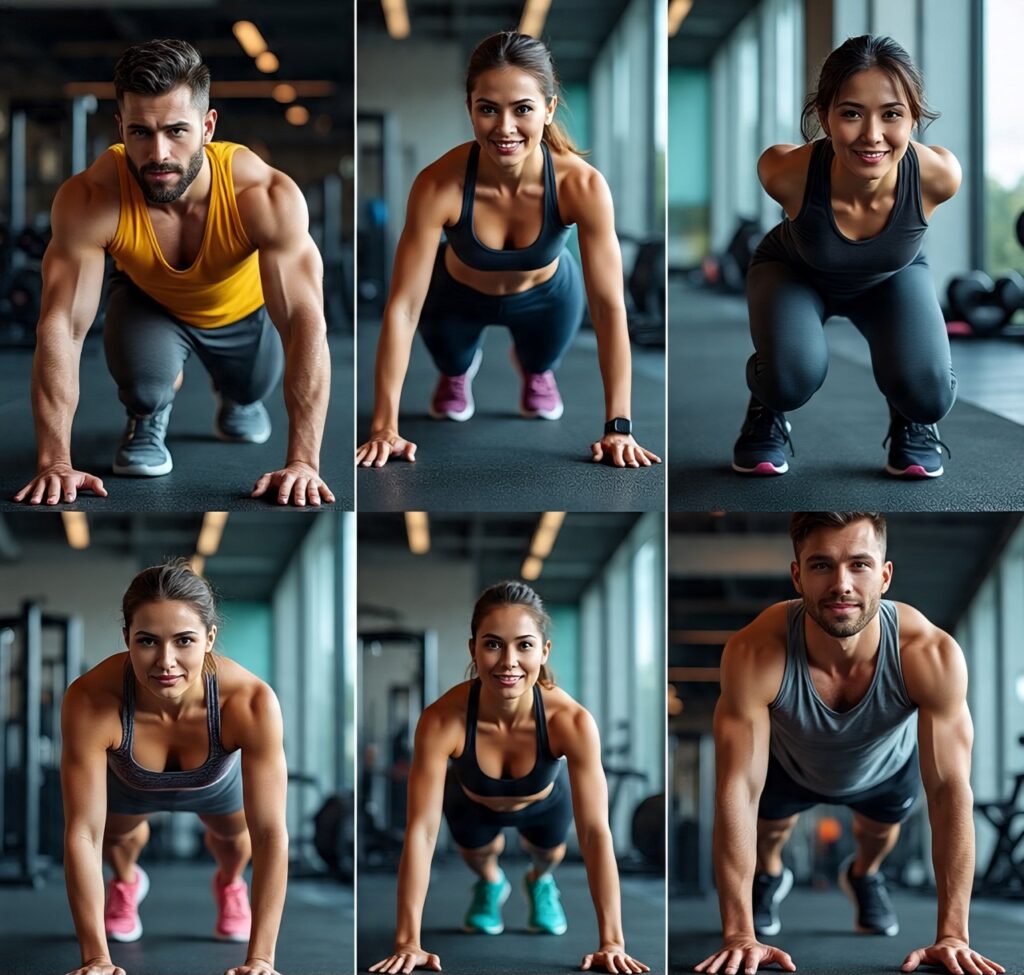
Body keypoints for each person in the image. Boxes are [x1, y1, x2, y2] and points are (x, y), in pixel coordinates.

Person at [14, 39, 334, 508]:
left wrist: (304, 462)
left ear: (207, 127)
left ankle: (238, 399)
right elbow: (61, 325)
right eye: (140, 133)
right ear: (121, 127)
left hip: (241, 312)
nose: (158, 153)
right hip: (152, 306)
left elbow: (305, 320)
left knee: (251, 389)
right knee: (144, 388)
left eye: (177, 131)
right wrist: (55, 462)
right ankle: (148, 416)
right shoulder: (91, 198)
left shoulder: (262, 194)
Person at [696, 512, 1004, 975]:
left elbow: (949, 792)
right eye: (822, 565)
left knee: (876, 835)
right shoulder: (755, 651)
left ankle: (864, 875)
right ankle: (771, 875)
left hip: (882, 768)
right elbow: (737, 789)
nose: (841, 583)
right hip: (790, 762)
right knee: (770, 834)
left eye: (859, 565)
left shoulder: (930, 654)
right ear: (797, 575)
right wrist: (739, 934)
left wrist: (953, 936)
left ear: (884, 575)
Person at [356, 31, 661, 470]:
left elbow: (609, 307)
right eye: (487, 109)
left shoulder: (582, 185)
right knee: (450, 375)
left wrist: (619, 426)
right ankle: (457, 373)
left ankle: (536, 371)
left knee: (540, 371)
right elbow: (403, 306)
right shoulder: (438, 184)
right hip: (455, 299)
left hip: (547, 299)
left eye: (523, 109)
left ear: (549, 109)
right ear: (470, 109)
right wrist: (384, 425)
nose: (504, 128)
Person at [368, 581, 650, 975]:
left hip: (544, 804)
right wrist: (407, 942)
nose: (508, 662)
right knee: (478, 857)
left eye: (524, 645)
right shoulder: (441, 720)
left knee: (548, 854)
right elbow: (422, 832)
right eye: (493, 644)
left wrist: (612, 943)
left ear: (544, 650)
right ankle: (490, 883)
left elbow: (595, 832)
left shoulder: (571, 721)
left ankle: (540, 882)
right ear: (473, 649)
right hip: (471, 802)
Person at [732, 35, 960, 479]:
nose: (872, 135)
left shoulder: (939, 176)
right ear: (825, 117)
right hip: (795, 272)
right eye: (852, 113)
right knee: (789, 377)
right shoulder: (785, 172)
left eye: (891, 114)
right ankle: (768, 403)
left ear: (913, 117)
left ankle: (911, 418)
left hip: (891, 278)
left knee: (930, 394)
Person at [60, 561, 288, 975]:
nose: (166, 661)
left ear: (209, 639)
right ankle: (126, 881)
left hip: (216, 786)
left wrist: (261, 960)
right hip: (131, 785)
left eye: (184, 641)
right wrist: (96, 958)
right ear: (126, 637)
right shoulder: (91, 698)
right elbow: (82, 832)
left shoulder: (250, 701)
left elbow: (271, 833)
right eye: (147, 641)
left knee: (237, 841)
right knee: (116, 840)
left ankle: (231, 883)